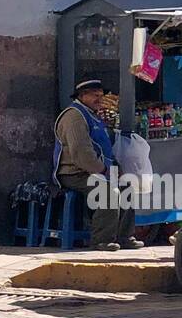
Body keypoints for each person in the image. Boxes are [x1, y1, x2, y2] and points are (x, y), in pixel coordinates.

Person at [54, 80, 142, 250]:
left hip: (97, 170)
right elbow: (81, 154)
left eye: (101, 96)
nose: (99, 99)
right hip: (74, 173)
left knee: (127, 187)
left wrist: (118, 171)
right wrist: (105, 171)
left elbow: (104, 149)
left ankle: (124, 236)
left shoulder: (93, 115)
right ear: (82, 96)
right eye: (95, 95)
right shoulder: (74, 116)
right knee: (107, 191)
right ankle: (101, 240)